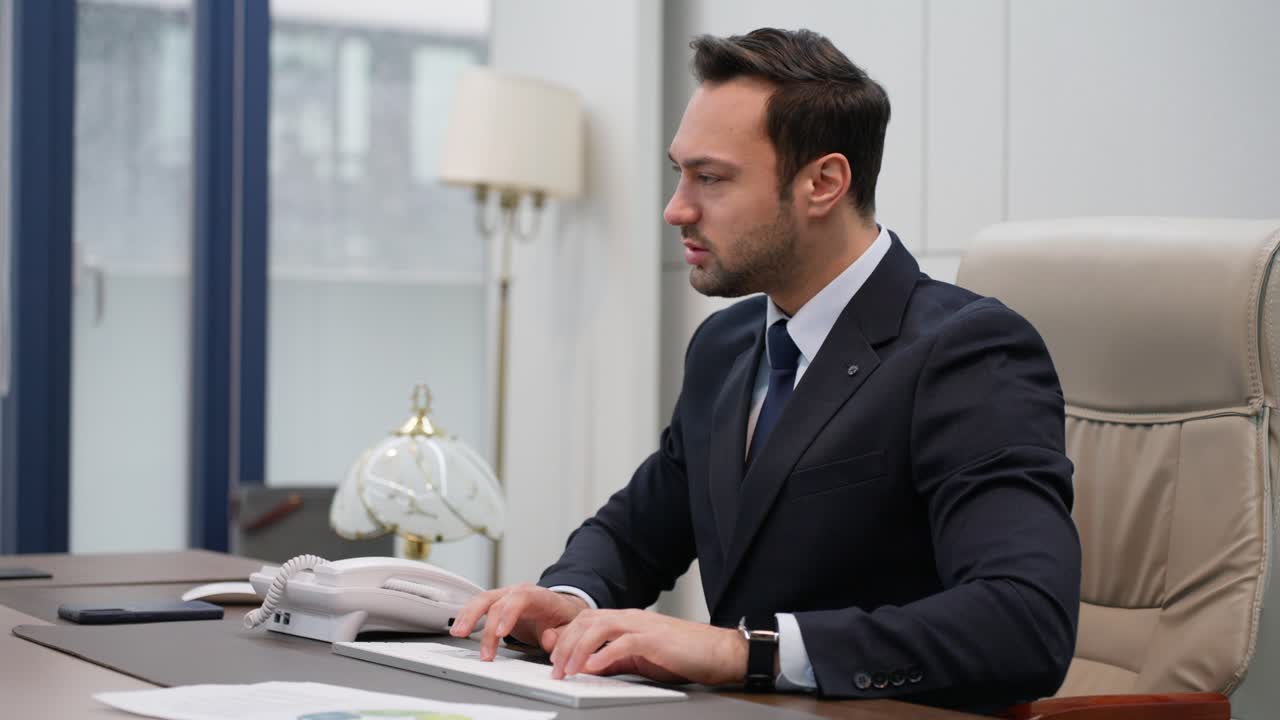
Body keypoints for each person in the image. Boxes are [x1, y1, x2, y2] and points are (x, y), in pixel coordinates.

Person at [450, 27, 1081, 712]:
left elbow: (1023, 624)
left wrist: (747, 651)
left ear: (823, 183)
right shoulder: (724, 344)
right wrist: (571, 598)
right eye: (679, 173)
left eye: (711, 178)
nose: (676, 208)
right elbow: (634, 533)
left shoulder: (969, 351)